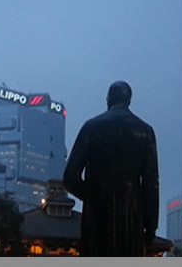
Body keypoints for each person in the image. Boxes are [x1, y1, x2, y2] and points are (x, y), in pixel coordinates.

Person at [63, 81, 159, 256]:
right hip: (131, 213)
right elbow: (151, 183)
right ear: (129, 100)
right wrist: (151, 225)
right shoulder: (145, 131)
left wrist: (93, 196)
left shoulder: (91, 127)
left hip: (97, 215)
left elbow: (69, 177)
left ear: (108, 100)